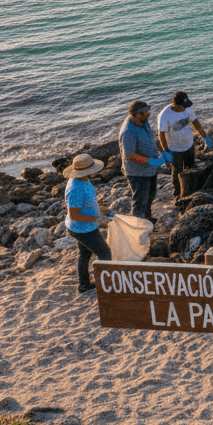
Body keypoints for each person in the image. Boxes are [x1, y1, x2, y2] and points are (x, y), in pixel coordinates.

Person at [64, 153, 113, 295]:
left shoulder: (84, 179)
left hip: (82, 227)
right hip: (82, 228)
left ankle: (84, 285)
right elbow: (74, 214)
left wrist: (96, 205)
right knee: (104, 253)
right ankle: (105, 286)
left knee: (84, 253)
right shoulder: (75, 188)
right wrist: (95, 218)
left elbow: (87, 199)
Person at [119, 100, 170, 221]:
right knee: (139, 201)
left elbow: (151, 139)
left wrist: (163, 151)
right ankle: (137, 228)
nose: (148, 115)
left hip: (150, 169)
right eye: (145, 113)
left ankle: (147, 218)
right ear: (136, 115)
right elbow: (130, 155)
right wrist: (151, 161)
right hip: (138, 172)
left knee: (150, 195)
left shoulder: (143, 122)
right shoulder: (128, 131)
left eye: (148, 112)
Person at [157, 91, 209, 201]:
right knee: (177, 172)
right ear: (176, 105)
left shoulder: (187, 108)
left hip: (189, 145)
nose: (185, 109)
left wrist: (205, 137)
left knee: (190, 168)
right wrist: (166, 151)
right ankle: (178, 194)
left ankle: (191, 190)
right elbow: (161, 135)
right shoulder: (165, 115)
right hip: (174, 149)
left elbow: (195, 122)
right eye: (183, 107)